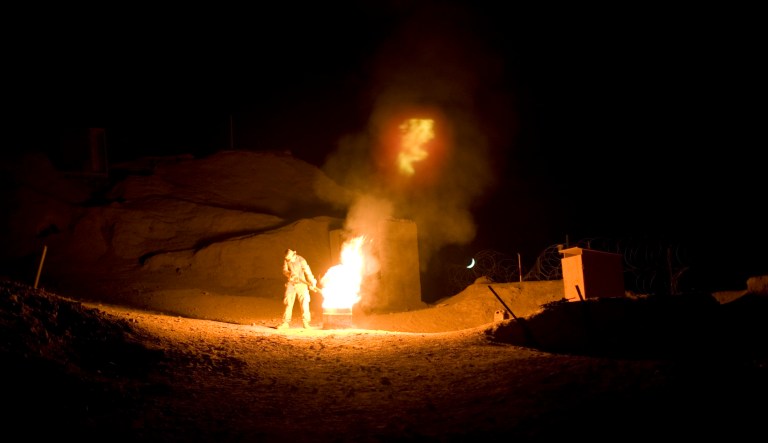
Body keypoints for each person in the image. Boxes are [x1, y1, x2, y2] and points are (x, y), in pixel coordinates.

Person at [278, 248, 318, 329]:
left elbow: (308, 272)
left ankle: (306, 323)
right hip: (291, 283)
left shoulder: (301, 260)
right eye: (287, 259)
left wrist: (312, 282)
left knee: (304, 302)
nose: (288, 260)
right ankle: (285, 323)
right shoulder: (286, 259)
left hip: (302, 284)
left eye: (289, 258)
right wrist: (290, 274)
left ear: (294, 254)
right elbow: (284, 270)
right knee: (288, 302)